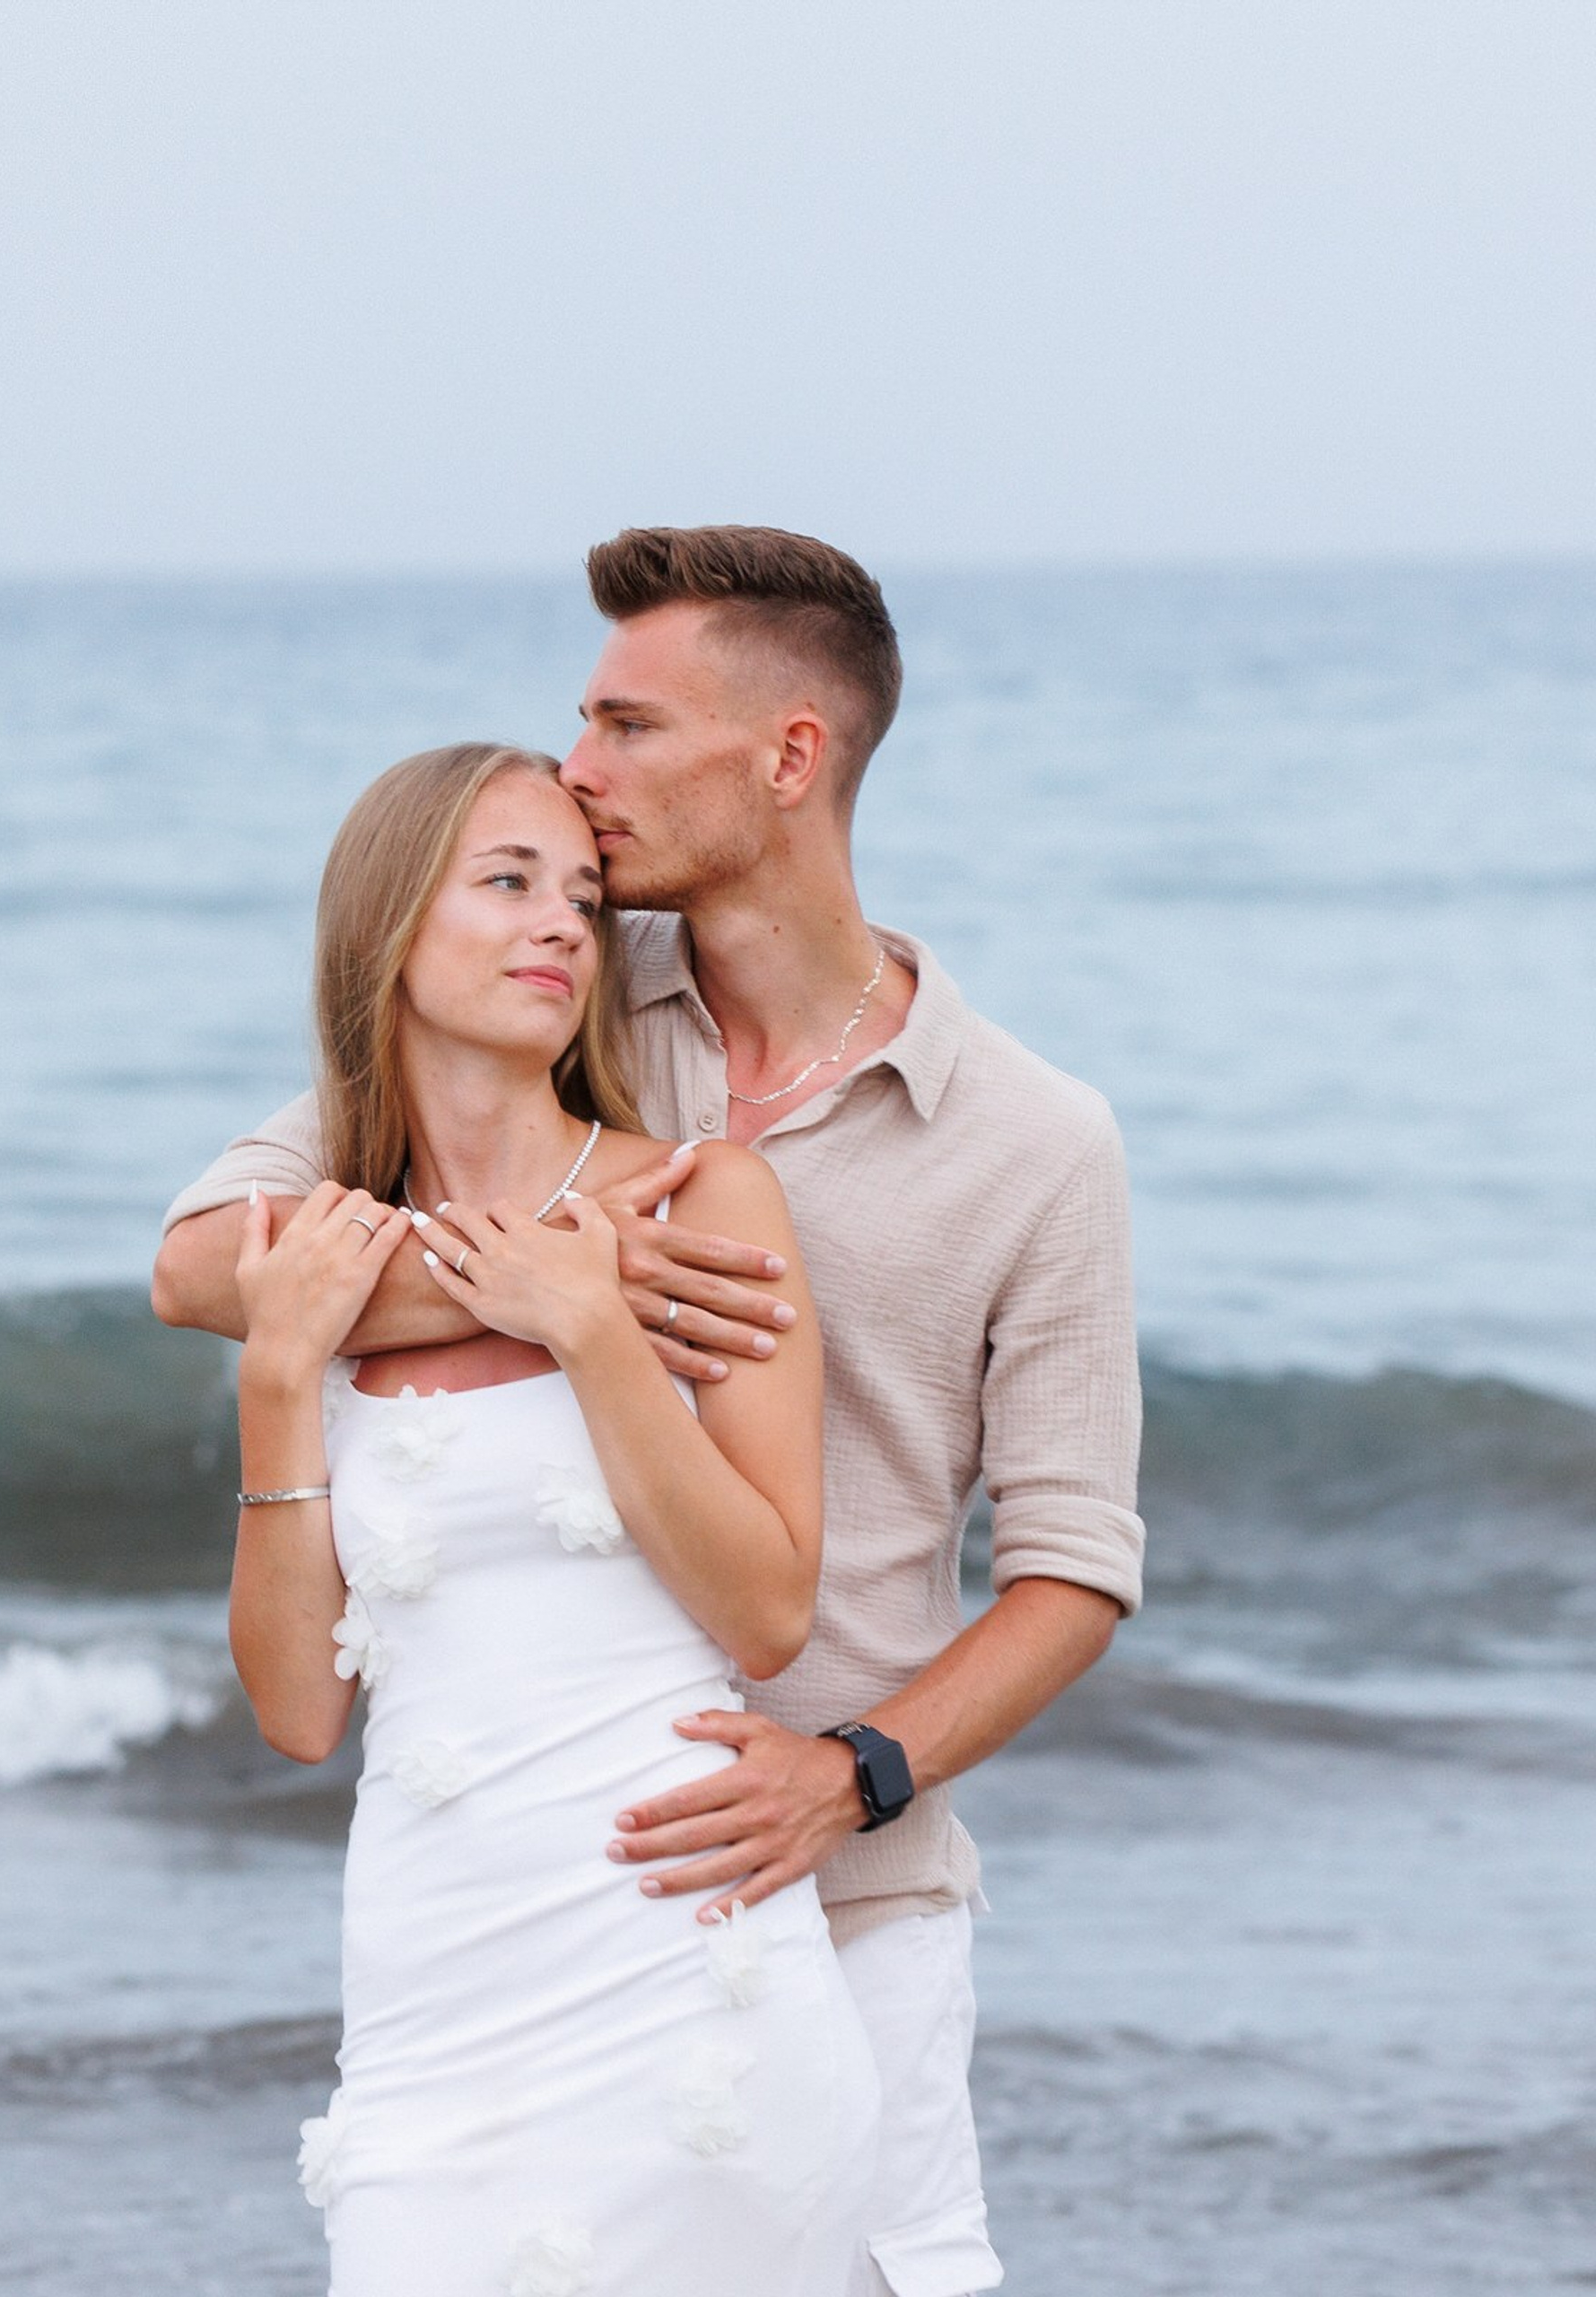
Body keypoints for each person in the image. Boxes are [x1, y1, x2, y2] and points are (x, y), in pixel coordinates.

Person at [153, 526, 1146, 2297]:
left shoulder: (1029, 1136)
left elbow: (1070, 1570)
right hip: (496, 1912)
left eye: (623, 727)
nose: (582, 781)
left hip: (844, 1878)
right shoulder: (559, 996)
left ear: (785, 757)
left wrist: (850, 1775)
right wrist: (534, 1265)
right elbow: (197, 1266)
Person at [222, 739, 880, 2292]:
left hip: (674, 1956)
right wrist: (276, 1374)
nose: (564, 927)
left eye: (582, 896)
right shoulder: (323, 1255)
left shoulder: (696, 1204)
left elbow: (768, 1609)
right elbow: (301, 1708)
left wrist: (587, 1328)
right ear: (387, 925)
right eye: (509, 883)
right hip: (434, 1981)